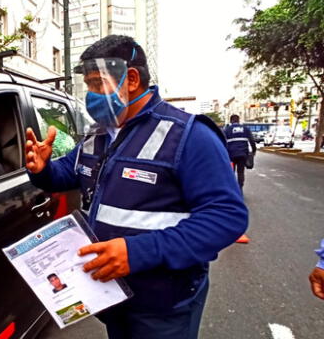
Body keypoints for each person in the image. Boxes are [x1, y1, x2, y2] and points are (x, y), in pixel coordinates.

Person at [24, 35, 248, 338]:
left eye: (96, 83)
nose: (90, 95)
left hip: (163, 304)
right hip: (112, 295)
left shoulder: (188, 135)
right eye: (87, 85)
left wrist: (137, 252)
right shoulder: (99, 134)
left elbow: (226, 217)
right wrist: (43, 169)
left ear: (130, 79)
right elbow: (69, 173)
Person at [223, 114, 256, 191]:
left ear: (231, 121)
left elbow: (222, 142)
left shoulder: (227, 130)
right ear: (238, 120)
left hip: (231, 156)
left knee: (231, 172)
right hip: (242, 154)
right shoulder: (245, 129)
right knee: (240, 172)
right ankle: (240, 188)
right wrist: (254, 151)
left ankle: (232, 189)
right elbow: (252, 141)